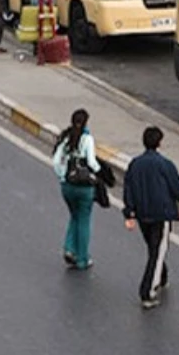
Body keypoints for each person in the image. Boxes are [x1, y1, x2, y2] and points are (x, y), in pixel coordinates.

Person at [123, 126, 179, 309]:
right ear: (159, 143)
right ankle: (147, 291)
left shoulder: (135, 164)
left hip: (143, 214)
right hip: (161, 214)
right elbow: (176, 188)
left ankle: (162, 275)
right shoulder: (165, 165)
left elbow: (128, 189)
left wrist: (130, 213)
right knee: (157, 251)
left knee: (153, 248)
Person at [51, 109, 101, 270]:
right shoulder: (87, 139)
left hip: (67, 187)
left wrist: (62, 178)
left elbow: (56, 161)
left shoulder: (65, 138)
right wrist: (100, 174)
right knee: (84, 220)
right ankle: (82, 258)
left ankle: (69, 248)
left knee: (75, 216)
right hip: (84, 188)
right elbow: (92, 163)